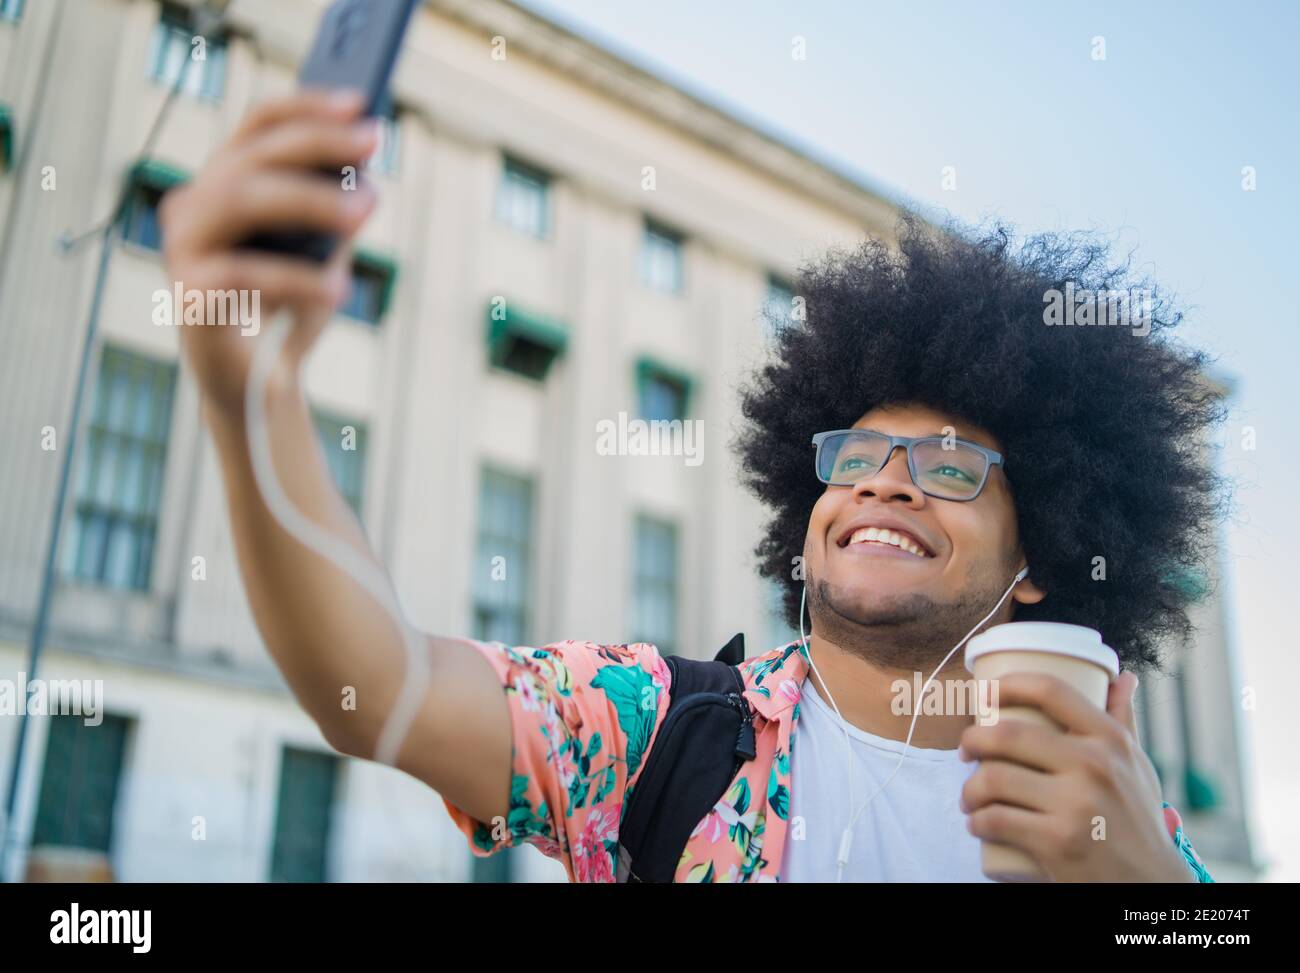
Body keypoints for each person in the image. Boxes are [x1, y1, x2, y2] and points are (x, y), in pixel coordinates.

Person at [160, 90, 1219, 883]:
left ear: (1034, 559)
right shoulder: (652, 725)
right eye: (852, 457)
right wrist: (246, 391)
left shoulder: (1115, 808)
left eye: (947, 466)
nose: (886, 486)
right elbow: (378, 688)